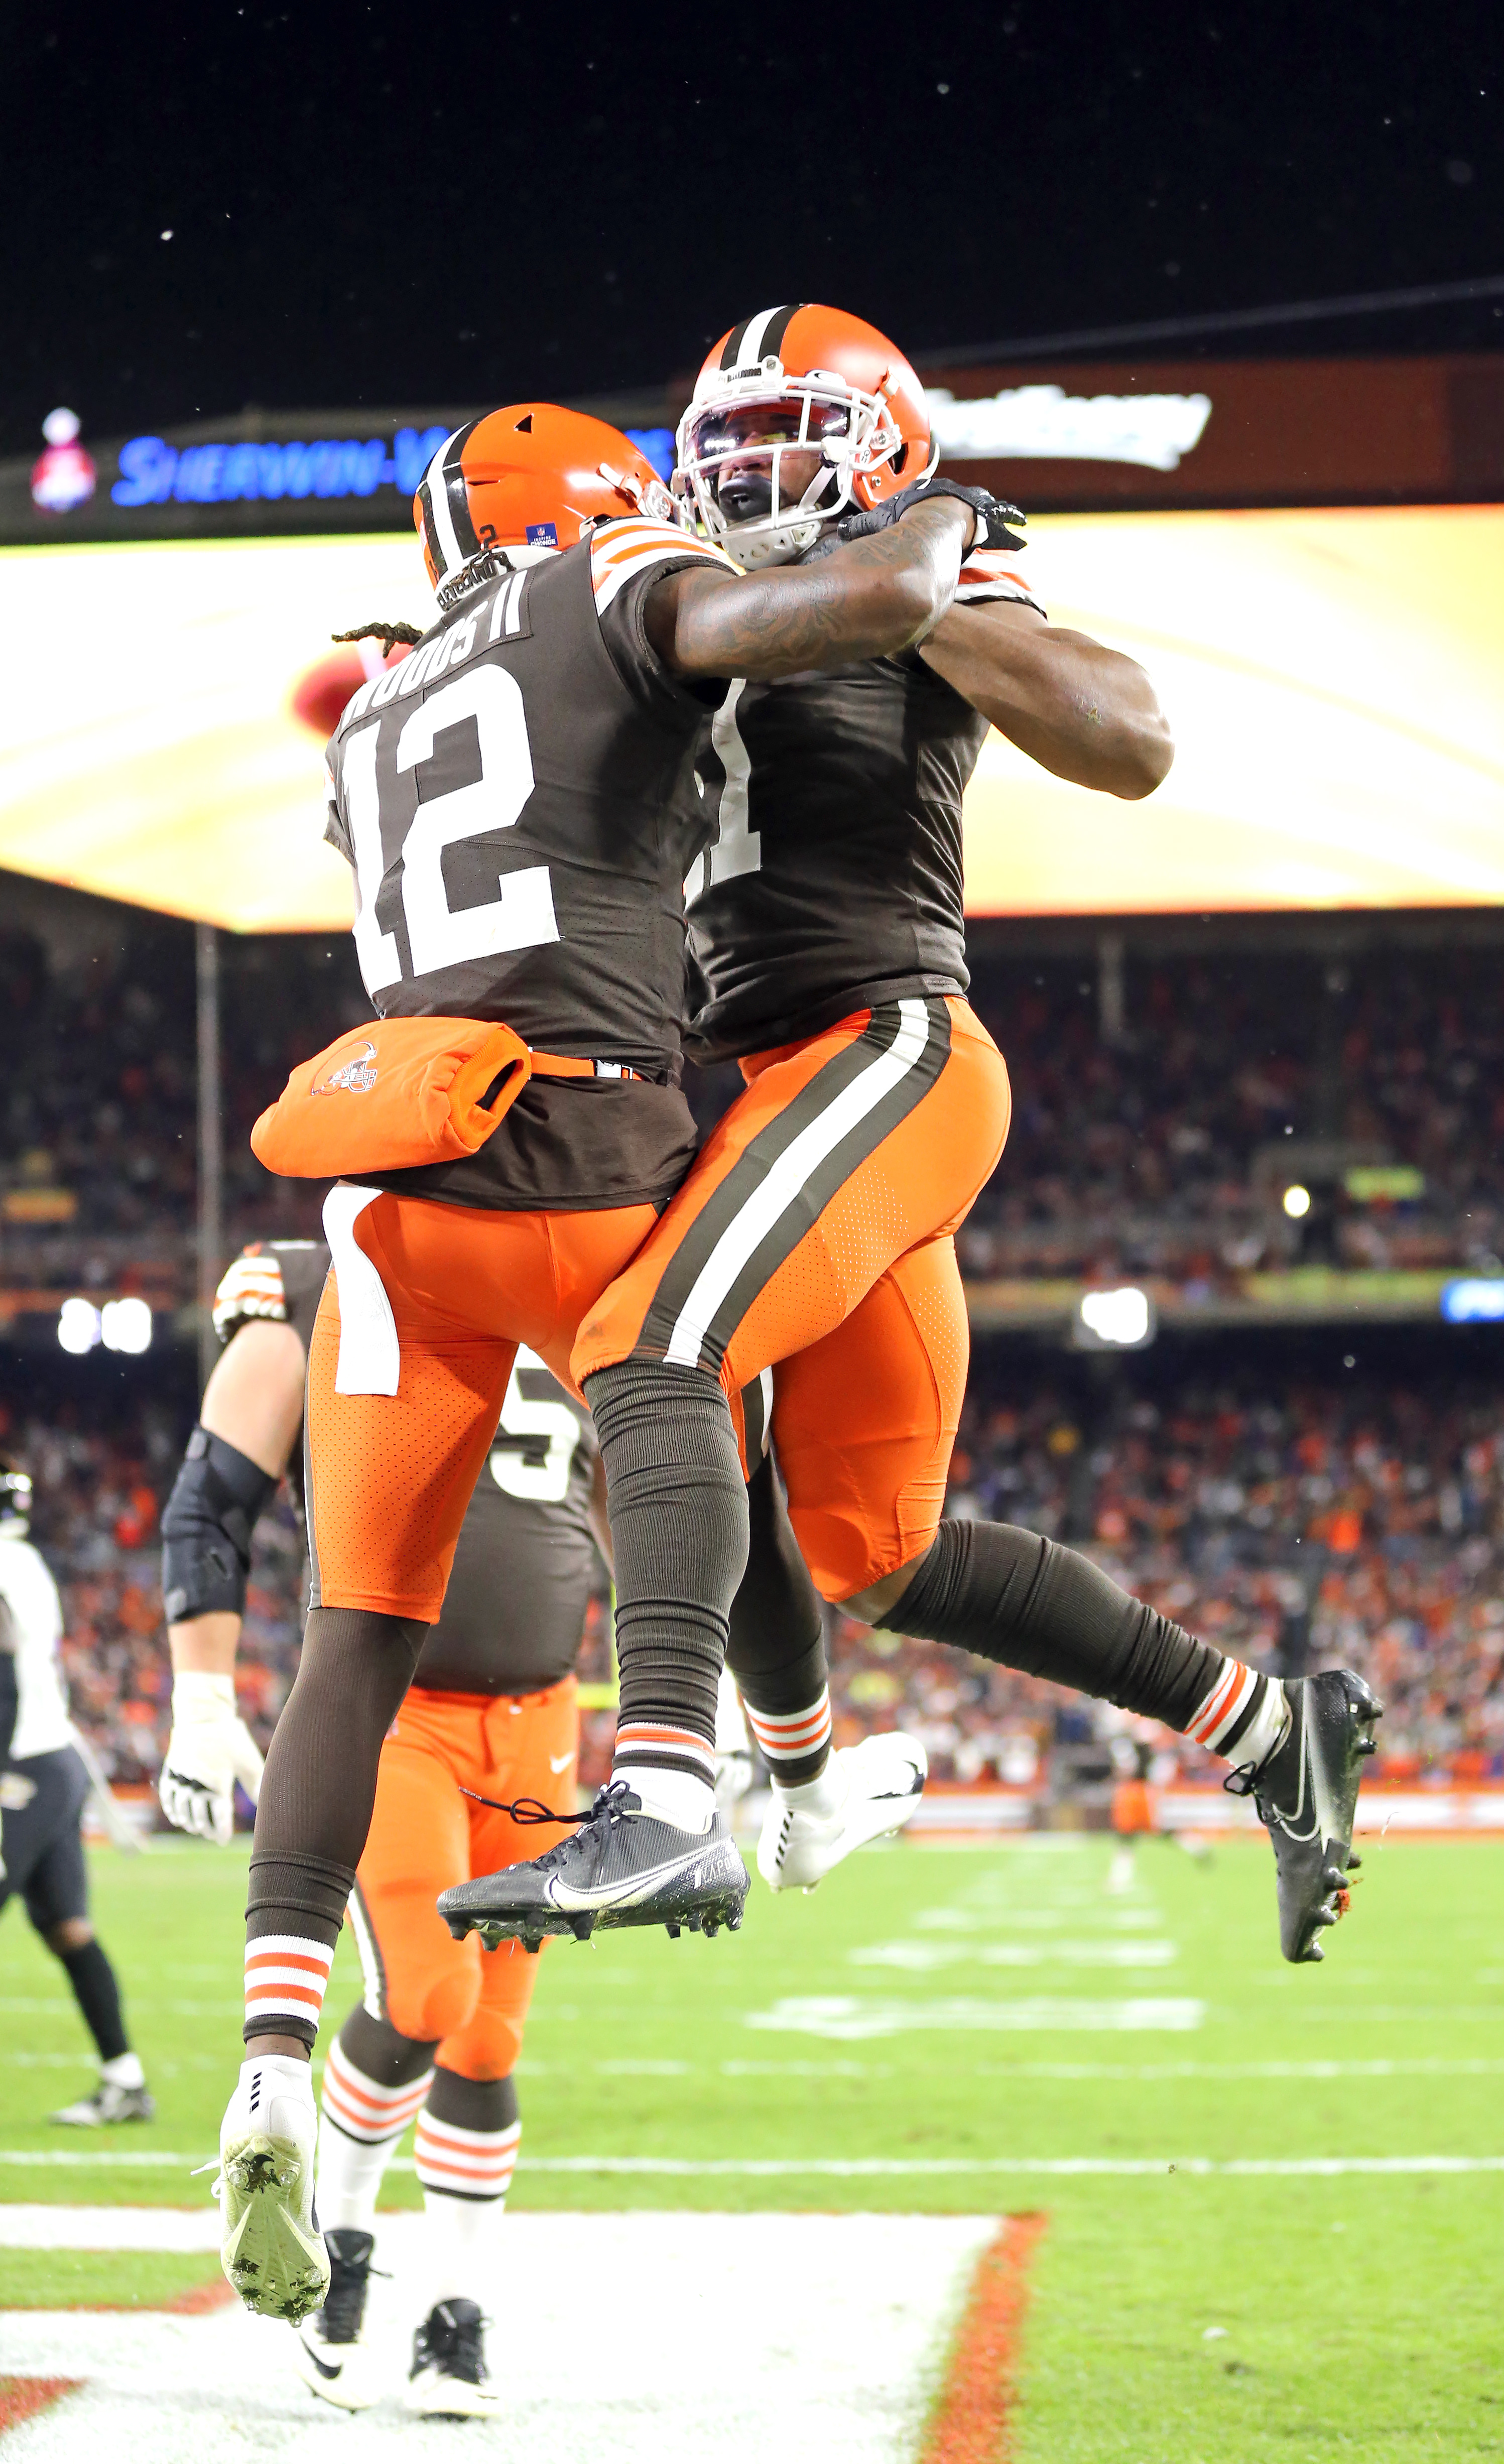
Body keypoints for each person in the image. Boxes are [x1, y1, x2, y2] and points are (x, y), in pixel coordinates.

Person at [449, 305, 1380, 1967]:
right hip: (759, 1076)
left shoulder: (913, 565)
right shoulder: (675, 588)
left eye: (788, 430)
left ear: (882, 440)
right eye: (723, 438)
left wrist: (926, 586)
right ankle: (1265, 1726)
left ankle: (667, 1784)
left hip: (885, 1040)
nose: (747, 467)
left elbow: (1130, 739)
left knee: (648, 1348)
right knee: (878, 1547)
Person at [213, 398, 997, 2322]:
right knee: (691, 1386)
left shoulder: (385, 700)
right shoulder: (615, 573)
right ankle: (765, 1770)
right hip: (581, 1137)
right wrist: (890, 555)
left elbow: (387, 715)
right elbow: (771, 627)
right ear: (598, 513)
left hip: (389, 1192)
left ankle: (263, 2060)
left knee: (351, 1630)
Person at [161, 1242, 608, 2414]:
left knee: (489, 2041)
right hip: (394, 1704)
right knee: (424, 1996)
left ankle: (457, 2315)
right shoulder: (310, 1276)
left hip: (544, 1720)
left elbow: (649, 1496)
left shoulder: (585, 1269)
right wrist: (201, 1695)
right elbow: (214, 1496)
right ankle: (343, 2236)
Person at [0, 1459, 154, 2126]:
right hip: (50, 1761)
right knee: (67, 1928)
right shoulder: (25, 1560)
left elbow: (4, 1666)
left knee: (67, 1929)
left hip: (23, 1769)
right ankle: (125, 2081)